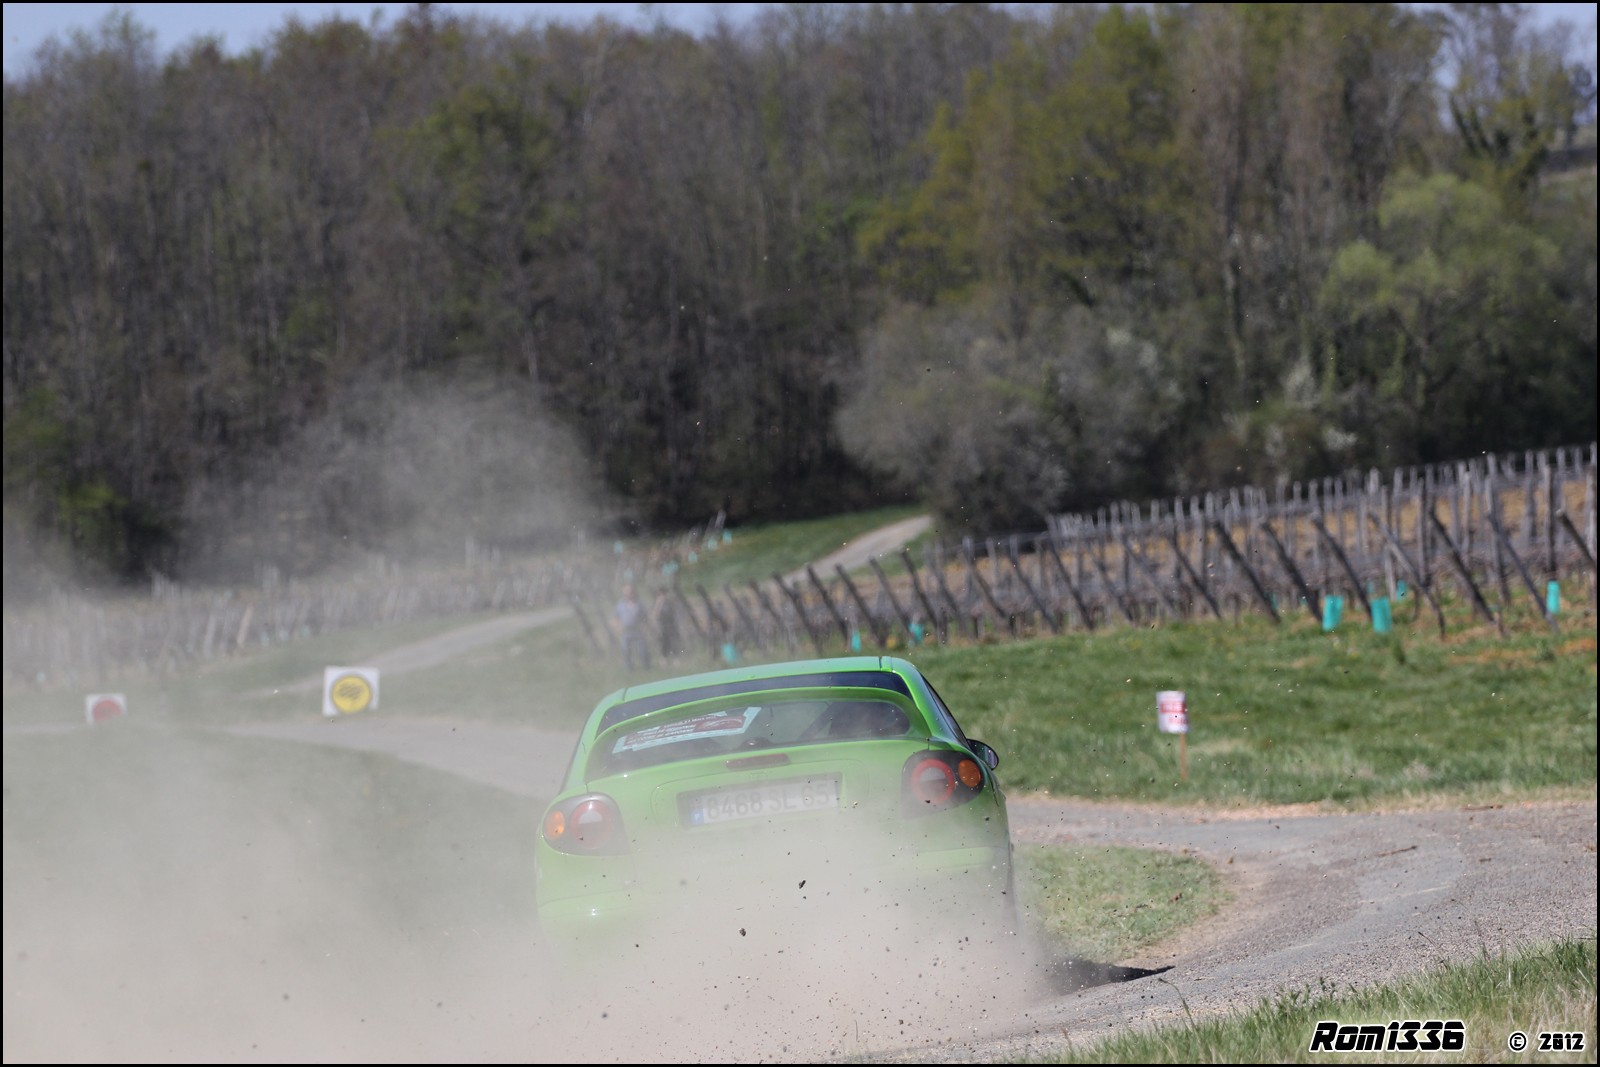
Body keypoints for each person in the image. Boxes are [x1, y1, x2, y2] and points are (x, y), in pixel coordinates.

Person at [614, 583, 651, 669]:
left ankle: (647, 667)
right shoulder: (620, 604)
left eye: (630, 591)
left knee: (642, 651)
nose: (628, 593)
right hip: (625, 632)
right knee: (626, 651)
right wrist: (618, 627)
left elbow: (645, 617)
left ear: (633, 592)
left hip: (638, 631)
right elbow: (615, 618)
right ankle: (629, 668)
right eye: (626, 591)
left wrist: (644, 626)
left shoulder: (639, 604)